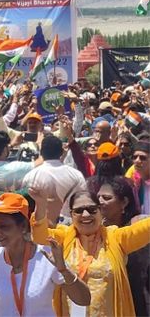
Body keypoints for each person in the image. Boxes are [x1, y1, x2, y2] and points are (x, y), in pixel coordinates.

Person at [0, 193, 90, 317]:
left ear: (23, 226)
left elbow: (84, 300)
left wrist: (64, 270)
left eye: (4, 226)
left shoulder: (46, 256)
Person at [30, 188, 150, 316]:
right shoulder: (63, 238)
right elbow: (39, 236)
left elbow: (145, 229)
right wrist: (41, 205)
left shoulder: (116, 238)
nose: (86, 214)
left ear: (100, 212)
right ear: (71, 215)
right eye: (79, 211)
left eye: (92, 209)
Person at [98, 176, 150, 317]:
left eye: (107, 198)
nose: (100, 202)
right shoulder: (97, 232)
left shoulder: (138, 226)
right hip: (108, 302)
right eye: (98, 197)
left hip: (136, 298)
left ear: (124, 202)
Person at [22, 135, 86, 225]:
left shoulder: (30, 176)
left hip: (41, 226)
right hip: (70, 226)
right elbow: (83, 199)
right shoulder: (76, 175)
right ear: (61, 152)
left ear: (41, 152)